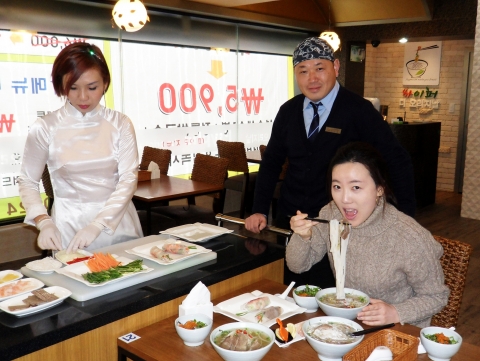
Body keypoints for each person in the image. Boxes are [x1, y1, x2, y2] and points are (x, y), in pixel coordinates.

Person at [245, 36, 415, 287]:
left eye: (319, 68)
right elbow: (271, 162)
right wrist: (259, 208)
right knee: (292, 289)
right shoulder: (288, 111)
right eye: (303, 71)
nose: (312, 78)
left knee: (333, 293)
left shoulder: (359, 110)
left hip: (341, 224)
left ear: (335, 67)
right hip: (293, 220)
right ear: (295, 75)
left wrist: (406, 219)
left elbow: (396, 160)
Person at [287, 142, 449, 328]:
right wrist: (303, 236)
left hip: (398, 331)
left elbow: (437, 296)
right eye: (337, 187)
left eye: (356, 187)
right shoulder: (332, 215)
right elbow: (297, 265)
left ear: (379, 189)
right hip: (349, 321)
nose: (345, 199)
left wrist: (396, 312)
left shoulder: (408, 237)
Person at [18, 42, 143, 253]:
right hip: (69, 228)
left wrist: (98, 224)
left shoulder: (120, 123)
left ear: (105, 83)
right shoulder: (45, 127)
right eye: (73, 88)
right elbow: (28, 181)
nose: (83, 97)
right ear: (61, 86)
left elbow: (128, 179)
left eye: (92, 87)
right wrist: (43, 221)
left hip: (118, 224)